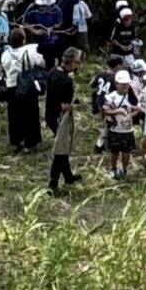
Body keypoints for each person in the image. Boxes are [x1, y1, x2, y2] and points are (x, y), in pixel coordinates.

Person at [0, 28, 46, 151]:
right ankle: (30, 143)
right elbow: (42, 63)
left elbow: (4, 68)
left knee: (14, 116)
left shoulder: (5, 54)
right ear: (23, 40)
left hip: (11, 86)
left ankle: (16, 141)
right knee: (30, 114)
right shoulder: (29, 52)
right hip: (27, 86)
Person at [47, 49, 82, 192]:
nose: (78, 65)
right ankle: (53, 184)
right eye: (78, 62)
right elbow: (65, 106)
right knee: (61, 151)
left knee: (63, 149)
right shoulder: (66, 81)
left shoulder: (53, 71)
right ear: (72, 61)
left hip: (50, 114)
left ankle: (68, 176)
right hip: (61, 118)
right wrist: (74, 99)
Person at [101, 58, 139, 182]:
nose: (125, 86)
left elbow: (137, 109)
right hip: (115, 129)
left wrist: (130, 115)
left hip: (127, 129)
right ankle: (113, 169)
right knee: (114, 151)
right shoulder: (111, 96)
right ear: (116, 84)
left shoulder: (132, 97)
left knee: (126, 151)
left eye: (127, 84)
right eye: (122, 84)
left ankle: (124, 170)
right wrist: (116, 111)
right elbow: (105, 110)